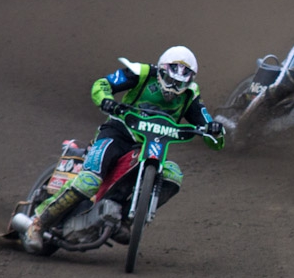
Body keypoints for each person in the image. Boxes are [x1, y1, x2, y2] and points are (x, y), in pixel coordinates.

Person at [24, 46, 225, 252]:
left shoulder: (191, 94)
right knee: (89, 181)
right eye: (171, 79)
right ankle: (37, 224)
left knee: (173, 174)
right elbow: (102, 84)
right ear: (162, 70)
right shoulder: (141, 73)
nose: (173, 88)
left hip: (150, 146)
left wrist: (215, 130)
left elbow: (211, 131)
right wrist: (108, 102)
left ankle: (127, 219)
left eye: (181, 83)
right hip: (117, 133)